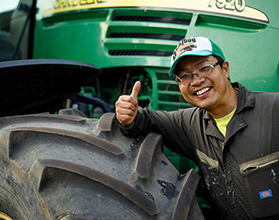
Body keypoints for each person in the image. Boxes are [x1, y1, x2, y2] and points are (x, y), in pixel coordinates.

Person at [115, 36, 279, 220]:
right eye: (184, 76)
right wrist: (128, 114)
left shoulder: (273, 110)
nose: (196, 80)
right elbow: (147, 119)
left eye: (203, 68)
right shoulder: (190, 124)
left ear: (225, 69)